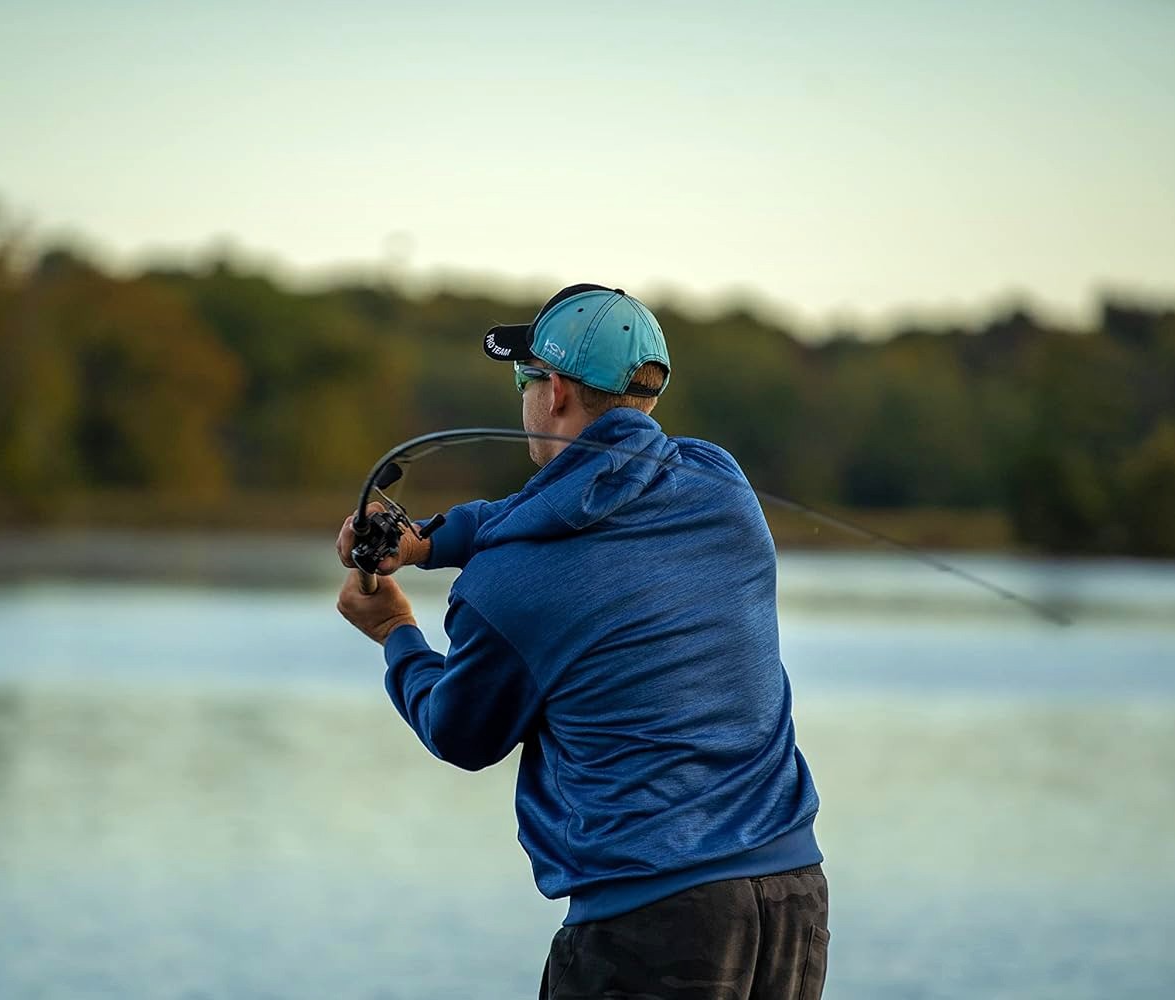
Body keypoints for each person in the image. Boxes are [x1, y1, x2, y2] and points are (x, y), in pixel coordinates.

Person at [335, 284, 828, 1000]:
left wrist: (395, 634)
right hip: (793, 899)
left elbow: (461, 732)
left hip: (649, 921)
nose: (523, 396)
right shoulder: (720, 483)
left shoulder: (507, 588)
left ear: (556, 392)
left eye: (524, 379)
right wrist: (427, 541)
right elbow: (569, 498)